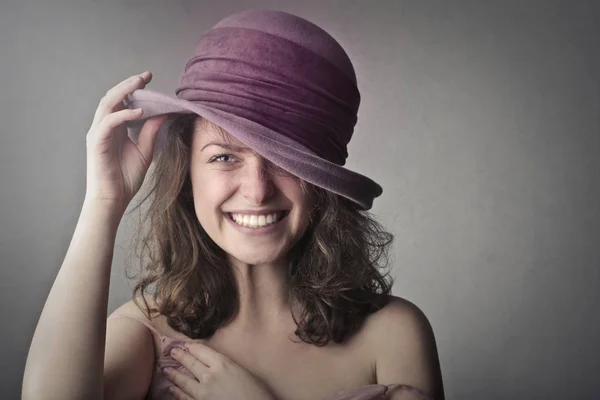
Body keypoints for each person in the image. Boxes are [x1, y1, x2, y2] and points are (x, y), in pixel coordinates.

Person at [22, 9, 445, 400]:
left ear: (322, 184)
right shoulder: (146, 334)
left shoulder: (395, 333)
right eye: (225, 157)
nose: (257, 191)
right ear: (187, 172)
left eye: (284, 162)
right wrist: (104, 201)